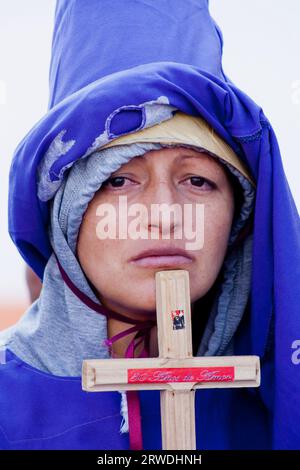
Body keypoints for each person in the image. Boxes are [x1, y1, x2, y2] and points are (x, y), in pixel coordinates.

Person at [0, 0, 299, 450]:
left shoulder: (275, 402)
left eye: (198, 180)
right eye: (118, 180)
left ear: (240, 219)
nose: (163, 214)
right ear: (65, 217)